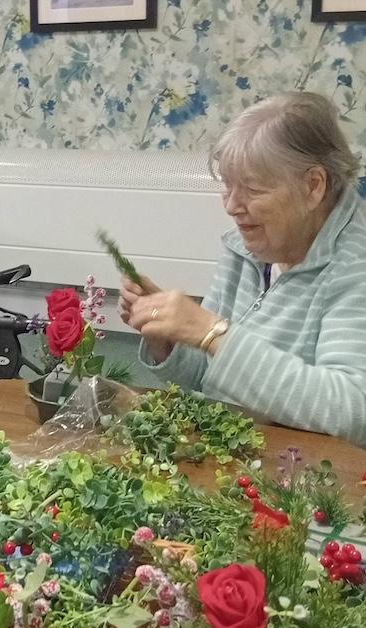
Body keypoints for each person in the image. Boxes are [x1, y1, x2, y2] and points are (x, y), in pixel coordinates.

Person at [119, 91, 366, 447]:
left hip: (315, 482)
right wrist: (168, 339)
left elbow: (352, 412)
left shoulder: (355, 264)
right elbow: (211, 377)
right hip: (243, 456)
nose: (232, 206)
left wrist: (211, 331)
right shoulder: (248, 247)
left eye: (251, 188)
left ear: (313, 186)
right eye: (227, 186)